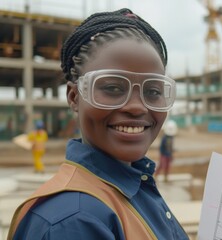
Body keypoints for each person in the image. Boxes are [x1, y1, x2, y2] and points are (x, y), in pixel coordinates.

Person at [8, 8, 188, 240]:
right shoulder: (75, 221)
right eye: (113, 88)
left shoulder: (131, 184)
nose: (136, 107)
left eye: (153, 91)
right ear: (74, 97)